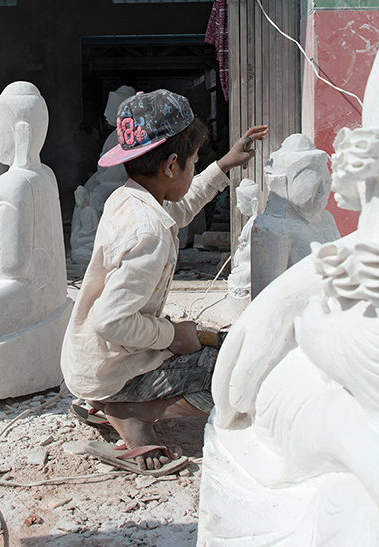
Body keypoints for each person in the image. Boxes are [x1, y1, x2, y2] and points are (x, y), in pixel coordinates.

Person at [60, 88, 267, 473]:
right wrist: (173, 335)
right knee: (229, 371)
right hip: (110, 366)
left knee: (215, 346)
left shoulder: (131, 198)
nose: (194, 168)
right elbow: (111, 321)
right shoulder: (149, 231)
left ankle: (113, 400)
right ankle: (130, 409)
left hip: (95, 358)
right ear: (172, 166)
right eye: (193, 162)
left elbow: (182, 205)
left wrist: (222, 166)